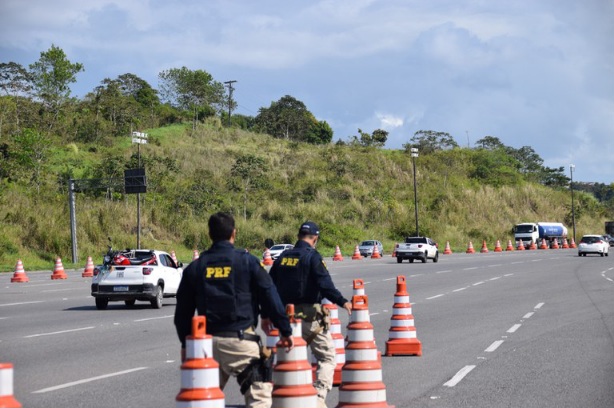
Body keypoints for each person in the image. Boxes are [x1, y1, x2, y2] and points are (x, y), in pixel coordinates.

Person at [174, 212, 294, 408]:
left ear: (209, 234)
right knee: (259, 399)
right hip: (241, 342)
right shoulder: (248, 262)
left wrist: (186, 344)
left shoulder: (195, 268)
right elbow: (270, 296)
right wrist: (285, 330)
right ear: (234, 233)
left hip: (206, 345)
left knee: (202, 401)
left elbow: (182, 314)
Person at [264, 221, 351, 408]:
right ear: (315, 239)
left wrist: (266, 313)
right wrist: (343, 301)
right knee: (327, 357)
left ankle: (283, 398)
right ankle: (318, 399)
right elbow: (325, 285)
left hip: (286, 319)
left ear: (298, 236)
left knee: (289, 359)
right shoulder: (312, 257)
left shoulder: (282, 258)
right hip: (309, 319)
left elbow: (268, 288)